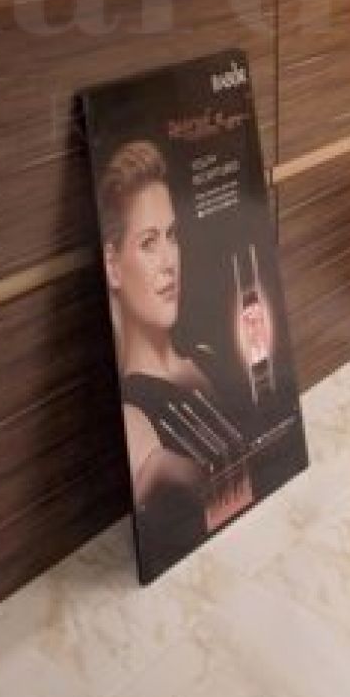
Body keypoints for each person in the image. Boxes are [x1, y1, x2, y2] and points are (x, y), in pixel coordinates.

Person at [95, 139, 254, 561]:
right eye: (149, 243)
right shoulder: (133, 414)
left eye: (172, 236)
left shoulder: (209, 356)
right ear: (113, 266)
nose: (169, 262)